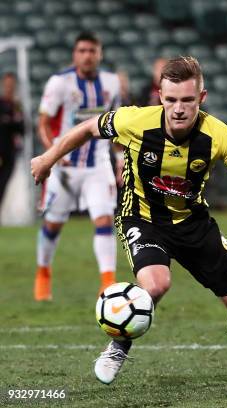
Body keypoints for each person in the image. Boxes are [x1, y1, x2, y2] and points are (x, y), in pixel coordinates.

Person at [31, 56, 227, 384]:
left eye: (187, 100)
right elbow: (86, 128)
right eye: (171, 100)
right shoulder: (136, 121)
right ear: (159, 95)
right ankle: (117, 347)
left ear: (202, 98)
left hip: (193, 223)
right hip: (142, 217)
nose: (178, 108)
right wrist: (47, 159)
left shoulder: (220, 136)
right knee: (156, 284)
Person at [34, 31, 121, 301]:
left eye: (92, 51)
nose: (87, 56)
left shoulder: (112, 83)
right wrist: (53, 154)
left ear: (100, 54)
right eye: (82, 50)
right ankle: (43, 273)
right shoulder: (60, 82)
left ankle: (107, 283)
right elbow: (43, 122)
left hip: (98, 165)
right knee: (52, 225)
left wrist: (119, 159)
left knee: (105, 220)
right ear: (75, 54)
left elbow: (116, 124)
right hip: (65, 167)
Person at [0, 72, 24, 208]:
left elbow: (23, 128)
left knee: (3, 185)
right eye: (7, 84)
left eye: (12, 85)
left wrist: (9, 122)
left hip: (10, 153)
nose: (9, 87)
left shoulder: (16, 105)